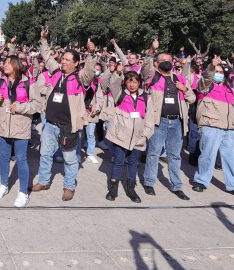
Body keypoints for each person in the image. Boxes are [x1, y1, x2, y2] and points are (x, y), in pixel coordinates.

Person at [31, 30, 96, 202]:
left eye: (68, 60)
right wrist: (43, 39)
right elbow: (47, 57)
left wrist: (91, 54)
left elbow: (90, 71)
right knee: (45, 154)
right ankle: (44, 181)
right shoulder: (56, 72)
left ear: (76, 63)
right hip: (50, 124)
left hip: (68, 127)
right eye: (63, 59)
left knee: (70, 159)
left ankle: (69, 186)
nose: (63, 61)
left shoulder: (80, 78)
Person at [142, 40, 197, 200]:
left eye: (169, 60)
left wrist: (184, 89)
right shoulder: (152, 77)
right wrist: (152, 50)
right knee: (153, 153)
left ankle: (177, 186)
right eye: (163, 60)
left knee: (175, 156)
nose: (167, 62)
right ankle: (149, 182)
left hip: (177, 123)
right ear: (157, 63)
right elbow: (146, 65)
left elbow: (192, 99)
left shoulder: (180, 79)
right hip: (159, 122)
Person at [191, 56, 234, 200]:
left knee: (231, 158)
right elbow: (206, 78)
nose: (219, 74)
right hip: (211, 125)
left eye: (221, 72)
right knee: (207, 155)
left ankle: (233, 186)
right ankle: (201, 181)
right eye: (216, 71)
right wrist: (212, 66)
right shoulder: (205, 86)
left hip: (229, 129)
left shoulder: (229, 89)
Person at [0, 55, 42, 207]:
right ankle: (3, 184)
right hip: (3, 125)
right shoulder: (0, 81)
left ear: (16, 65)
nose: (5, 65)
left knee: (21, 159)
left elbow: (37, 105)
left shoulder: (29, 82)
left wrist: (20, 107)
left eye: (8, 63)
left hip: (21, 126)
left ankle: (23, 192)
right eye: (4, 63)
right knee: (3, 157)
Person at [95, 71, 148, 202]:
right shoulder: (120, 94)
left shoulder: (146, 97)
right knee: (118, 161)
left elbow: (150, 119)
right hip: (120, 137)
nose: (132, 85)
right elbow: (113, 83)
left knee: (133, 163)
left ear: (139, 83)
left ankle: (131, 188)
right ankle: (113, 189)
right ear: (125, 82)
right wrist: (117, 72)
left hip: (137, 138)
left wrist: (146, 135)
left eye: (135, 82)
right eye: (129, 81)